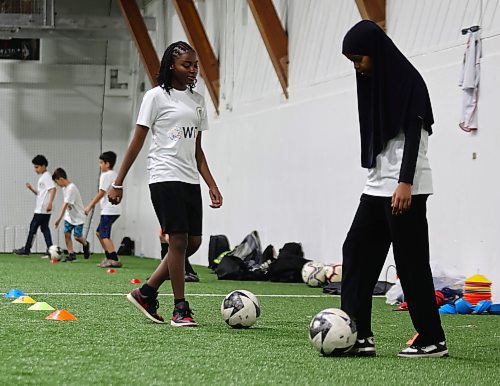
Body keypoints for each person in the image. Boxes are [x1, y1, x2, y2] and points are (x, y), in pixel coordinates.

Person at [340, 20, 447, 358]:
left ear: (376, 52)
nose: (357, 67)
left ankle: (432, 339)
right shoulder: (373, 84)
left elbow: (415, 135)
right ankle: (357, 334)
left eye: (360, 59)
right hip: (377, 186)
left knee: (411, 262)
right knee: (355, 252)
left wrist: (405, 183)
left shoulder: (409, 81)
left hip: (406, 186)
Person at [109, 41, 223, 327]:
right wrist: (118, 182)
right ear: (171, 66)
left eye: (195, 65)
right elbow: (137, 142)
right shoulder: (156, 97)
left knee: (192, 242)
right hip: (164, 175)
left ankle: (146, 292)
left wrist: (211, 183)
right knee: (179, 241)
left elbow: (197, 150)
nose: (193, 70)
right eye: (187, 65)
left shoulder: (197, 101)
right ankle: (180, 308)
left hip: (189, 179)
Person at [84, 151, 123, 268]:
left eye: (101, 163)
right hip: (114, 210)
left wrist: (89, 206)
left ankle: (114, 259)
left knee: (104, 235)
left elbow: (101, 193)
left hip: (109, 210)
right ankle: (109, 257)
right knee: (99, 233)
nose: (100, 165)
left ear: (107, 163)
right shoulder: (114, 174)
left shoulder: (105, 175)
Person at [14, 155, 56, 257]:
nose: (35, 169)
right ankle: (50, 250)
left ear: (44, 166)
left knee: (33, 227)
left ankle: (27, 249)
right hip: (44, 208)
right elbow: (41, 193)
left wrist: (50, 203)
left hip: (42, 209)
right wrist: (32, 189)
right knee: (44, 228)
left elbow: (53, 189)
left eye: (37, 167)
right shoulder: (43, 177)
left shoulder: (46, 177)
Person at [52, 168, 90, 262]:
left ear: (61, 179)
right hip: (69, 216)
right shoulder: (64, 188)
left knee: (77, 236)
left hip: (78, 216)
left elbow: (65, 204)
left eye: (57, 182)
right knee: (67, 233)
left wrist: (58, 218)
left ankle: (85, 244)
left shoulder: (71, 188)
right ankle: (71, 254)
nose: (57, 185)